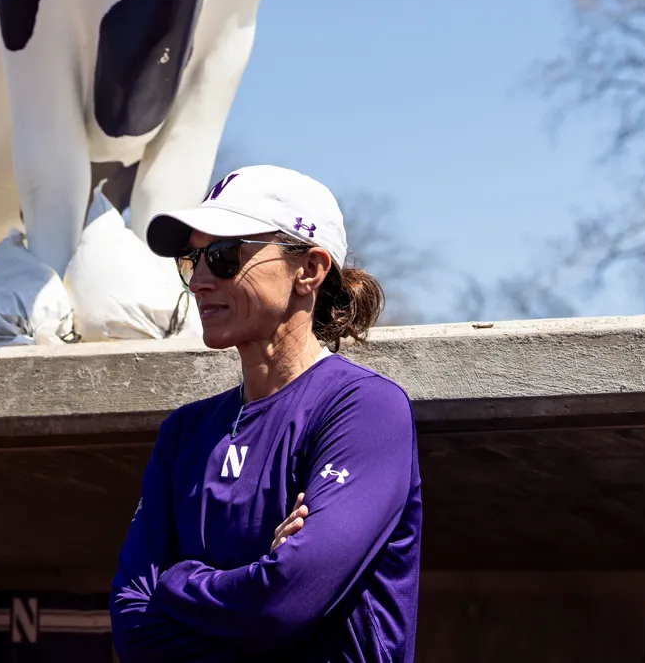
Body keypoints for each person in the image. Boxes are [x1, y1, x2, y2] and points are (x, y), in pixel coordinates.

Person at [109, 165, 422, 662]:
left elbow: (283, 602)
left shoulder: (365, 408)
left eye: (224, 256)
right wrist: (258, 590)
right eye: (192, 260)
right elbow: (132, 629)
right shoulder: (184, 432)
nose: (200, 281)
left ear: (310, 269)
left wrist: (179, 581)